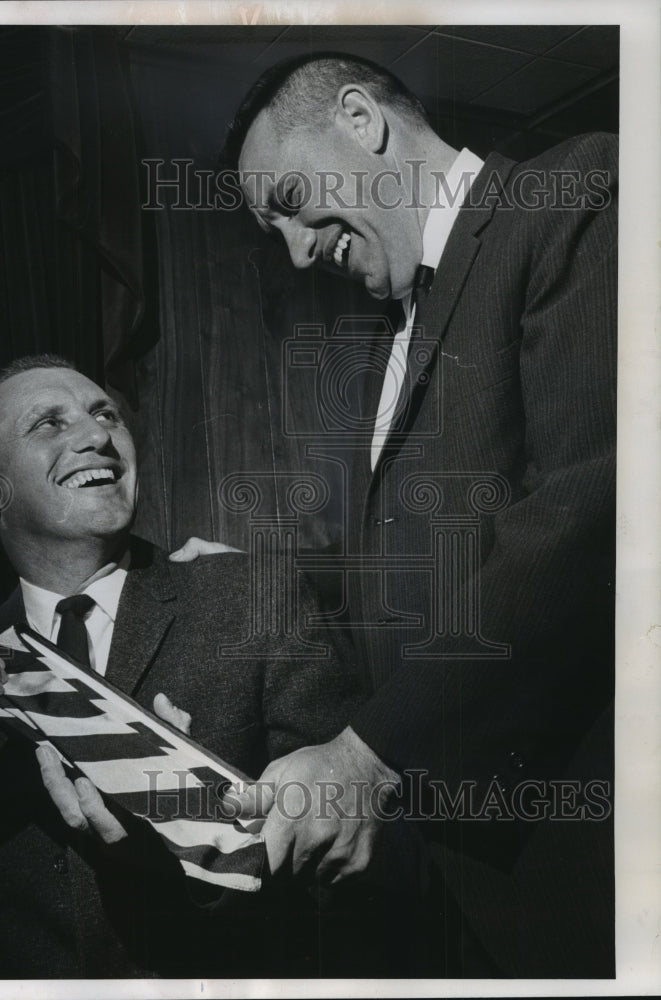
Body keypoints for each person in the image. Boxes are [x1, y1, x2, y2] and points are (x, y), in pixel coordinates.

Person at [213, 52, 617, 977]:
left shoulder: (573, 192)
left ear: (360, 119)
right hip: (450, 884)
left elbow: (588, 510)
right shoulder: (384, 344)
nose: (294, 250)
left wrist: (364, 759)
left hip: (575, 866)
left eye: (286, 200)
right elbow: (407, 601)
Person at [0, 354, 367, 979]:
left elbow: (353, 873)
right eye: (48, 425)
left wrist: (199, 821)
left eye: (104, 414)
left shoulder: (251, 598)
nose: (96, 436)